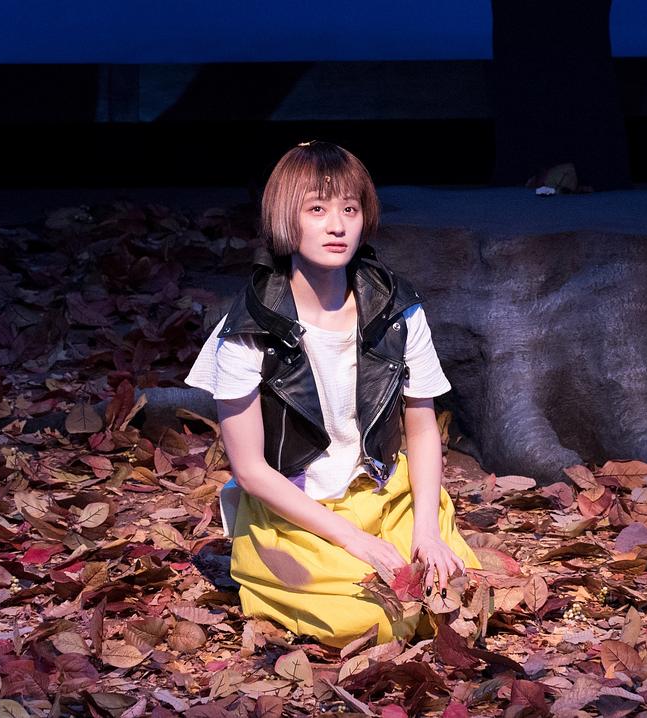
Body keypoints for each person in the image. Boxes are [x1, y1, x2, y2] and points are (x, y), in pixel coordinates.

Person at [185, 141, 480, 647]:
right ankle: (271, 579)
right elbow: (250, 470)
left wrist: (427, 532)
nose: (337, 226)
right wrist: (355, 541)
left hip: (384, 494)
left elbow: (421, 428)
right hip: (295, 511)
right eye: (317, 210)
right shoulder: (248, 329)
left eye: (350, 209)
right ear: (285, 219)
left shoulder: (398, 311)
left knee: (453, 596)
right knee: (372, 620)